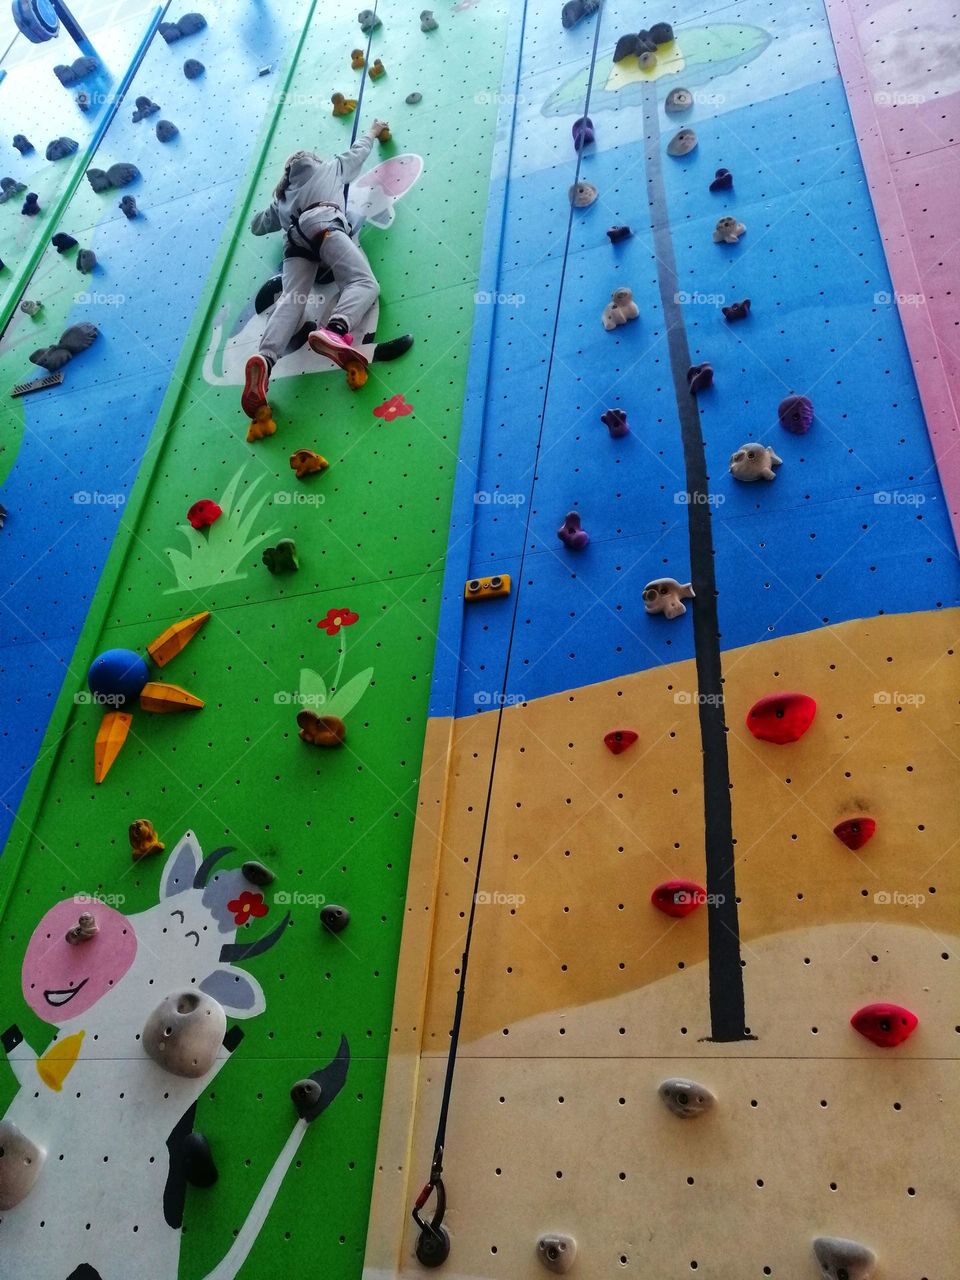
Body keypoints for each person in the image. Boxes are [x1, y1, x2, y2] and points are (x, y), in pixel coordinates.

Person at [241, 118, 389, 418]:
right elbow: (358, 152)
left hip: (294, 242)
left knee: (291, 300)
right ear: (313, 158)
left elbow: (258, 225)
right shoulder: (330, 167)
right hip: (323, 223)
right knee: (363, 283)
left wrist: (276, 208)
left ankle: (265, 359)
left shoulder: (281, 198)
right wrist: (373, 132)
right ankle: (335, 330)